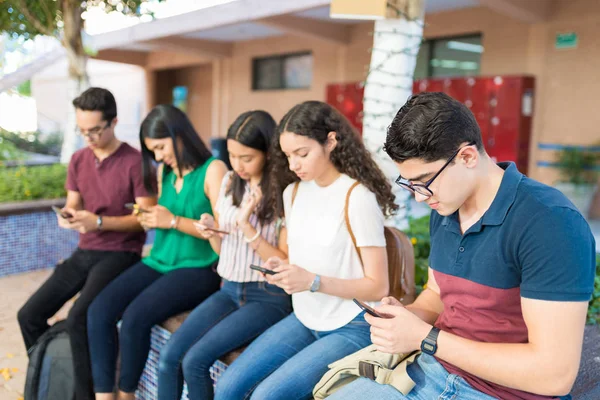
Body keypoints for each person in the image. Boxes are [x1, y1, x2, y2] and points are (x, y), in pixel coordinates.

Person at [327, 92, 596, 400]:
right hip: (431, 370)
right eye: (410, 184)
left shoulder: (550, 222)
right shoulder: (444, 206)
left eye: (424, 182)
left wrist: (426, 338)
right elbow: (437, 296)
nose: (419, 197)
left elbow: (554, 376)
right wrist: (406, 319)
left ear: (467, 157)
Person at [214, 100, 398, 400]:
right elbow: (288, 261)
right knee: (226, 388)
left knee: (266, 397)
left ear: (331, 142)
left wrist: (313, 281)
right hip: (305, 316)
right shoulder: (293, 192)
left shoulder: (357, 197)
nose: (293, 165)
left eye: (302, 154)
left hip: (351, 325)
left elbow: (378, 286)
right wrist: (279, 268)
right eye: (287, 156)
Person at [17, 87, 155, 400]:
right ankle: (53, 376)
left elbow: (147, 218)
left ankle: (83, 395)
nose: (88, 137)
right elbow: (73, 205)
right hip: (85, 250)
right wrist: (68, 216)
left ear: (114, 122)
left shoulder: (136, 162)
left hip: (121, 253)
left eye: (94, 130)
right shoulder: (79, 159)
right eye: (82, 131)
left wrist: (101, 222)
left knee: (79, 317)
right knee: (28, 315)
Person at [86, 104, 227, 400]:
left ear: (180, 136)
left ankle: (127, 395)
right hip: (161, 258)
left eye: (161, 147)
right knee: (99, 311)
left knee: (136, 317)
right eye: (153, 151)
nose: (158, 156)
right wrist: (152, 217)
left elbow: (221, 232)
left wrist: (173, 221)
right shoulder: (165, 170)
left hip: (200, 266)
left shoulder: (213, 170)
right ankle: (103, 396)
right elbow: (164, 215)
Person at [157, 110, 292, 400]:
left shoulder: (285, 192)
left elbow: (283, 262)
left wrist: (246, 225)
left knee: (195, 361)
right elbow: (223, 250)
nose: (239, 165)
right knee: (170, 357)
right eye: (233, 156)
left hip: (266, 295)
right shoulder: (231, 182)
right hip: (229, 287)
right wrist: (212, 232)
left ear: (268, 153)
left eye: (247, 158)